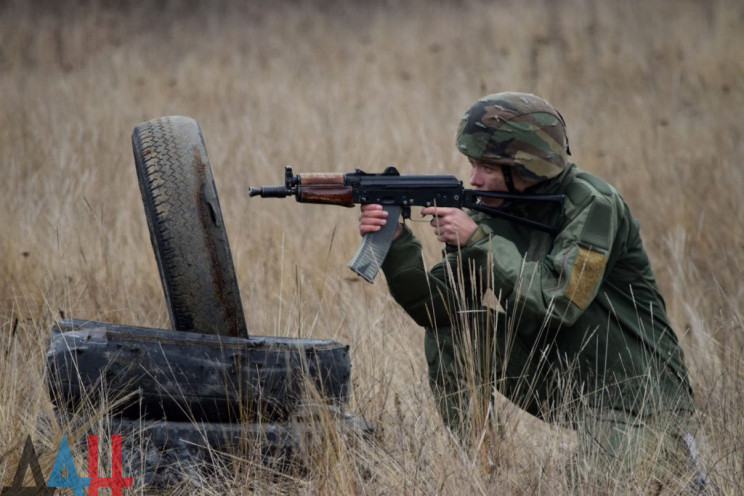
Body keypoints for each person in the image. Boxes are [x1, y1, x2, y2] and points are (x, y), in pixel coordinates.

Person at [359, 92, 710, 491]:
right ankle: (482, 473)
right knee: (455, 333)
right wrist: (397, 244)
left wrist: (479, 243)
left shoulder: (593, 205)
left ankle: (675, 455)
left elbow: (560, 303)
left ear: (525, 165)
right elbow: (438, 310)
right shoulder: (489, 209)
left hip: (636, 394)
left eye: (486, 166)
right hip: (562, 380)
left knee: (597, 484)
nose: (473, 179)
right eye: (472, 164)